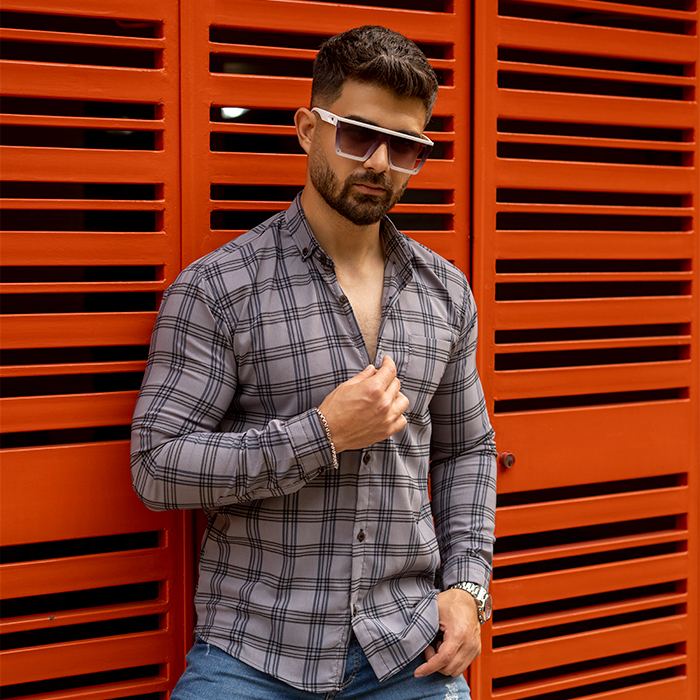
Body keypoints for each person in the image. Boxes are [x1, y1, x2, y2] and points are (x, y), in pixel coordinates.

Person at [131, 25, 497, 700]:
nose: (380, 162)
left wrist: (469, 586)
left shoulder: (446, 291)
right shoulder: (219, 288)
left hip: (407, 653)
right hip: (253, 653)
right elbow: (157, 467)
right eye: (357, 135)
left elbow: (468, 449)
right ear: (307, 129)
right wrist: (321, 434)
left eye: (405, 146)